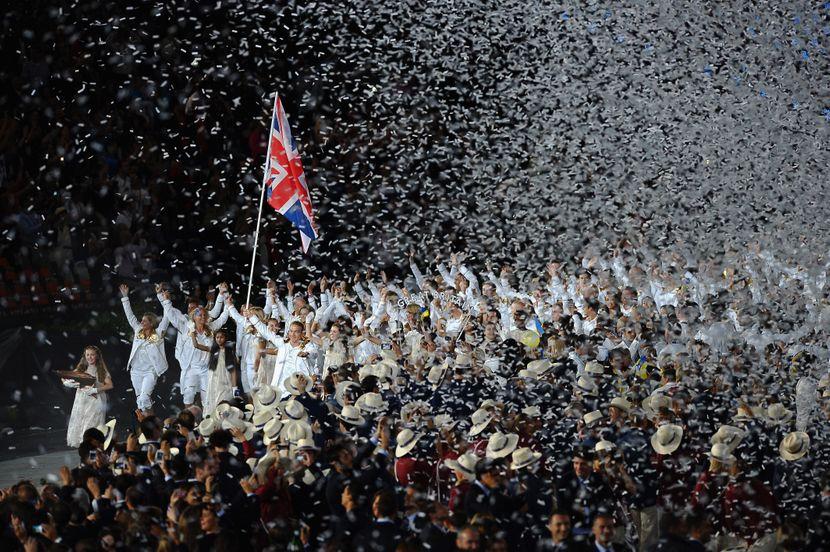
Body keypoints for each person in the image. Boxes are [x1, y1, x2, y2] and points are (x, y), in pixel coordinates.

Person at [120, 284, 170, 414]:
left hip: (150, 372)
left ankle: (153, 427)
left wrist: (163, 298)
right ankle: (148, 428)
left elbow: (167, 316)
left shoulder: (158, 334)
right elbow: (130, 317)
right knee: (141, 403)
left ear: (151, 323)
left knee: (144, 398)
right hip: (135, 371)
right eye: (141, 320)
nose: (141, 322)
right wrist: (125, 297)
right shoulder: (138, 331)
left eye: (145, 321)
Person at [63, 345, 113, 447]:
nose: (90, 357)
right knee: (81, 420)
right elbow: (66, 377)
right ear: (85, 356)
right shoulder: (81, 368)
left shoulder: (101, 369)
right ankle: (84, 445)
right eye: (88, 355)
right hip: (82, 399)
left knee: (92, 423)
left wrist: (95, 389)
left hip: (96, 399)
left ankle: (92, 444)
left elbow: (110, 385)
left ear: (97, 356)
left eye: (92, 355)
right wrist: (68, 383)